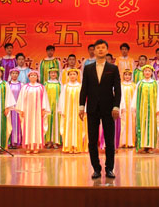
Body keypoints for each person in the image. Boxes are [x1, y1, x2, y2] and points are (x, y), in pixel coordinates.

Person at [79, 39, 121, 180]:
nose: (100, 50)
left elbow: (118, 90)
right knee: (92, 140)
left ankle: (109, 169)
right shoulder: (88, 68)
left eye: (103, 47)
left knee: (109, 141)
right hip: (92, 109)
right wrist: (81, 106)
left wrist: (116, 106)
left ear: (107, 50)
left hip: (109, 109)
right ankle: (96, 169)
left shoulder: (113, 68)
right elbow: (84, 88)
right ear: (94, 51)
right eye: (98, 48)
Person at [132, 65, 159, 153]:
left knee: (151, 126)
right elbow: (136, 95)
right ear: (143, 72)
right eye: (145, 71)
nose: (147, 72)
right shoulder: (140, 83)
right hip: (141, 109)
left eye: (149, 71)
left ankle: (150, 146)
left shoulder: (155, 83)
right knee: (142, 126)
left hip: (152, 110)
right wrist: (134, 107)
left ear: (151, 73)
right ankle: (143, 145)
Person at [17, 70, 50, 153]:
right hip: (27, 111)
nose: (33, 77)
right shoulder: (25, 87)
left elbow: (44, 98)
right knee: (27, 127)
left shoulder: (41, 87)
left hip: (38, 111)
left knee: (37, 127)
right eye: (31, 75)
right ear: (29, 77)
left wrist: (43, 109)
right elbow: (21, 99)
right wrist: (21, 110)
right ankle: (28, 146)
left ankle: (36, 146)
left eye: (35, 75)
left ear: (37, 77)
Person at [58, 68, 87, 153]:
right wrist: (62, 110)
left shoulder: (80, 86)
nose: (72, 76)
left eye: (74, 74)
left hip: (78, 111)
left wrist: (84, 109)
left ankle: (77, 146)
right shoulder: (65, 86)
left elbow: (84, 99)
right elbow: (62, 99)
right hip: (68, 111)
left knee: (79, 127)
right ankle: (69, 146)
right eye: (70, 74)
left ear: (77, 76)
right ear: (68, 76)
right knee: (68, 127)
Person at [44, 67, 62, 149]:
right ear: (49, 74)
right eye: (51, 73)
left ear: (57, 74)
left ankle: (55, 141)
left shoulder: (59, 84)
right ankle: (48, 141)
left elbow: (62, 95)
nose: (53, 74)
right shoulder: (46, 84)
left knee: (56, 122)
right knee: (48, 122)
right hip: (48, 106)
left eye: (55, 73)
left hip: (57, 106)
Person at [119, 69, 136, 148]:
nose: (127, 76)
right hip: (123, 108)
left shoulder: (134, 86)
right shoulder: (120, 85)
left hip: (131, 108)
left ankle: (130, 142)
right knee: (123, 123)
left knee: (131, 124)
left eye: (129, 75)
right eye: (125, 75)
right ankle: (122, 142)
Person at [7, 68, 24, 149]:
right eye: (13, 73)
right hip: (10, 107)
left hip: (18, 107)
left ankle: (17, 141)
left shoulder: (21, 85)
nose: (14, 75)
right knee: (9, 124)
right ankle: (9, 141)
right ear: (10, 75)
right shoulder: (7, 84)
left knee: (18, 124)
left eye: (16, 73)